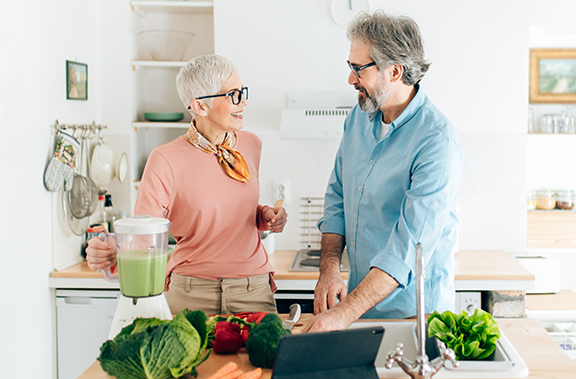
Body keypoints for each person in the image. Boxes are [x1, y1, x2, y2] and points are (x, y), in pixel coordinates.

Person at [86, 54, 287, 315]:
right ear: (200, 107)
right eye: (233, 95)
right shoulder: (164, 159)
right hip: (191, 294)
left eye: (242, 92)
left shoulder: (251, 145)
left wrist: (265, 216)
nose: (244, 101)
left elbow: (234, 208)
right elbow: (144, 232)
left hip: (253, 290)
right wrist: (113, 251)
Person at [303, 11, 464, 333]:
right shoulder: (360, 117)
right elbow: (338, 196)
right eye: (350, 67)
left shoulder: (437, 142)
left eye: (358, 69)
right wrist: (330, 269)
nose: (351, 79)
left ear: (394, 71)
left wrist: (342, 314)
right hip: (361, 304)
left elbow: (406, 250)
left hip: (415, 316)